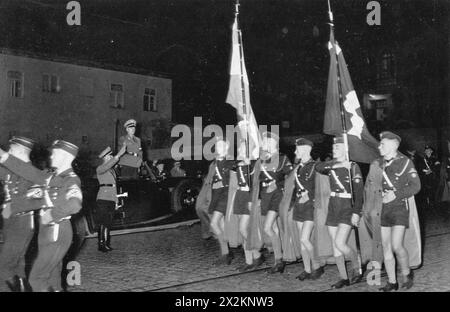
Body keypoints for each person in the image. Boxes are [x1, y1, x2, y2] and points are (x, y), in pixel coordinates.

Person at [0, 140, 82, 292]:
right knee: (53, 279)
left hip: (57, 231)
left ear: (65, 156)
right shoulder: (51, 177)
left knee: (37, 278)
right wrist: (4, 156)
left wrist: (52, 215)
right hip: (47, 232)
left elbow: (75, 204)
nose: (51, 155)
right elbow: (25, 170)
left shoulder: (70, 179)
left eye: (55, 153)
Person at [315, 135, 364, 289]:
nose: (334, 149)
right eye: (334, 147)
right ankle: (343, 277)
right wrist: (337, 164)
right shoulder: (331, 165)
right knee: (335, 245)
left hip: (347, 207)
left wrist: (356, 212)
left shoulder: (353, 166)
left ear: (346, 149)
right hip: (333, 207)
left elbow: (359, 192)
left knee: (340, 243)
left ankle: (356, 263)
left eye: (338, 147)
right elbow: (318, 167)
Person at [377, 131, 421, 291]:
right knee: (386, 246)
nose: (379, 146)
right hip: (384, 209)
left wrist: (395, 194)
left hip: (399, 208)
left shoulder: (405, 162)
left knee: (396, 245)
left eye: (382, 144)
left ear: (394, 145)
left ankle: (407, 272)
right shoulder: (378, 163)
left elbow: (416, 186)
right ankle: (392, 282)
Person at [0, 137, 42, 292]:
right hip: (10, 221)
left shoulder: (33, 173)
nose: (9, 153)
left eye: (11, 150)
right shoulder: (11, 170)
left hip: (22, 222)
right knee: (18, 266)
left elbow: (35, 199)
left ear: (18, 150)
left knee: (4, 267)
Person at [259, 131, 293, 274]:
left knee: (267, 227)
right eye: (264, 141)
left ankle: (279, 260)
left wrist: (279, 185)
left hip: (277, 195)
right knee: (273, 228)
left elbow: (291, 177)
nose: (265, 143)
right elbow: (258, 180)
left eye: (268, 141)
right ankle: (280, 257)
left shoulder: (282, 158)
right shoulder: (261, 160)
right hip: (265, 196)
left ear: (275, 143)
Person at [291, 138, 324, 281]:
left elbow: (321, 185)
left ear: (305, 149)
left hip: (310, 207)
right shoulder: (298, 167)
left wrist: (310, 197)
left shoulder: (315, 166)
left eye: (297, 149)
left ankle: (317, 266)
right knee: (302, 239)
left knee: (305, 238)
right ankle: (307, 268)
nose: (294, 152)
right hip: (299, 206)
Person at [233, 141, 264, 272]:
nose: (240, 150)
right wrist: (242, 162)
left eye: (244, 148)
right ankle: (248, 260)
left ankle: (257, 254)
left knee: (243, 228)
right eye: (240, 147)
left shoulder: (255, 165)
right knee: (242, 230)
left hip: (248, 196)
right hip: (239, 195)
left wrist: (249, 163)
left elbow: (258, 182)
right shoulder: (238, 164)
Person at [208, 138, 235, 265]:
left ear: (226, 148)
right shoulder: (213, 163)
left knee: (214, 223)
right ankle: (226, 252)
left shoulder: (230, 163)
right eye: (217, 146)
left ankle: (226, 252)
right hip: (216, 196)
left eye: (221, 146)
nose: (217, 148)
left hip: (225, 196)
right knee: (222, 225)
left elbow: (234, 181)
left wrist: (222, 183)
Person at [96, 145, 126, 252]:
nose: (111, 157)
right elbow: (107, 166)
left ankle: (106, 243)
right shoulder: (100, 168)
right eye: (109, 156)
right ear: (105, 157)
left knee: (108, 222)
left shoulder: (112, 170)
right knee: (103, 221)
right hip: (103, 198)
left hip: (111, 198)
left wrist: (116, 200)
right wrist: (118, 155)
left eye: (111, 156)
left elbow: (114, 186)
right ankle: (101, 243)